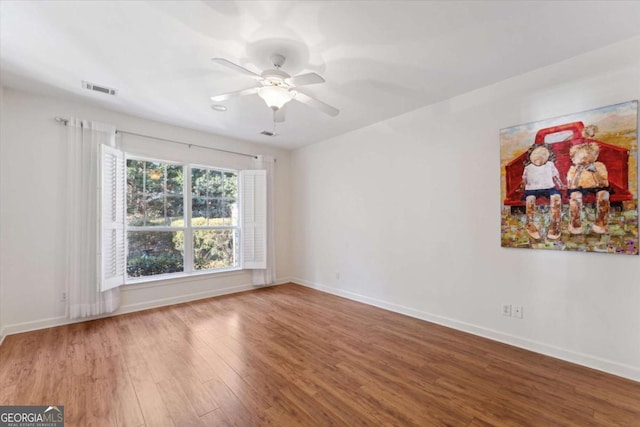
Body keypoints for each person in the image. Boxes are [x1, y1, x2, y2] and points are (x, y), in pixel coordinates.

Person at [517, 143, 565, 240]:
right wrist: (521, 188)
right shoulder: (528, 167)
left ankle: (555, 222)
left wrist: (560, 185)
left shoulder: (549, 165)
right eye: (536, 153)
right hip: (532, 189)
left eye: (543, 154)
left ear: (549, 156)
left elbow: (556, 176)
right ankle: (529, 223)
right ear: (530, 155)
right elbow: (524, 180)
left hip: (549, 188)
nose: (539, 156)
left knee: (556, 198)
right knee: (530, 199)